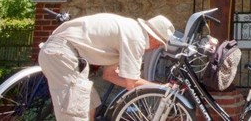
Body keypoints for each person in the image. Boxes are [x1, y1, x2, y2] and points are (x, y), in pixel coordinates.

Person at [39, 13, 174, 121]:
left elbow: (109, 75)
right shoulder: (136, 39)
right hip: (62, 54)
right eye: (160, 44)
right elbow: (131, 83)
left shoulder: (130, 31)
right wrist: (161, 88)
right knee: (75, 113)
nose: (158, 48)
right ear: (154, 39)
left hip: (68, 54)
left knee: (89, 106)